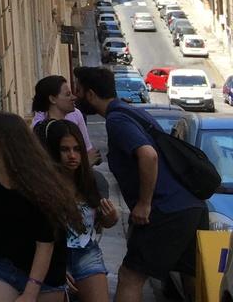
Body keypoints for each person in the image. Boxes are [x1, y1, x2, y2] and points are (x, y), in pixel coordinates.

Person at [72, 66, 207, 302]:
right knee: (190, 277)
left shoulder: (117, 120)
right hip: (190, 206)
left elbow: (148, 155)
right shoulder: (131, 112)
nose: (75, 96)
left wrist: (145, 203)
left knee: (130, 276)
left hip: (166, 210)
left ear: (91, 95)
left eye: (78, 90)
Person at [0, 111, 83, 300]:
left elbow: (45, 244)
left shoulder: (39, 185)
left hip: (44, 273)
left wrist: (30, 293)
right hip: (0, 264)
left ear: (1, 142)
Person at [40, 119, 117, 302]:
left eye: (77, 149)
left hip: (86, 252)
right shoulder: (44, 185)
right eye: (65, 150)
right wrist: (55, 267)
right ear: (53, 151)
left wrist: (111, 217)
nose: (72, 155)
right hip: (51, 254)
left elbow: (102, 223)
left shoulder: (93, 181)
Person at [30, 75, 99, 164]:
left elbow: (87, 149)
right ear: (52, 99)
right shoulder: (40, 126)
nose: (74, 97)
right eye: (68, 94)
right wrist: (86, 164)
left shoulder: (76, 114)